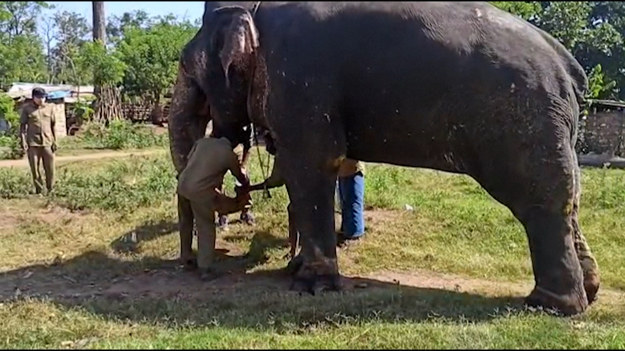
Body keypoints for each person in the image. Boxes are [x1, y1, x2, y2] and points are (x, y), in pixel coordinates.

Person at [177, 130, 252, 280]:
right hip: (200, 192)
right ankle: (205, 269)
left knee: (185, 222)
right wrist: (245, 186)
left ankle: (186, 257)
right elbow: (239, 177)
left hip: (182, 185)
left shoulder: (202, 142)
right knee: (205, 226)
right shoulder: (228, 154)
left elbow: (189, 160)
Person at [20, 87, 57, 195]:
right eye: (39, 97)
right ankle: (39, 190)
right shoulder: (27, 109)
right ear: (33, 97)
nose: (41, 100)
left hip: (47, 142)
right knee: (35, 169)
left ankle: (50, 189)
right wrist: (23, 142)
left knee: (50, 168)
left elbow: (53, 125)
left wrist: (55, 141)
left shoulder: (49, 108)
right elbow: (22, 127)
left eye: (43, 97)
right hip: (33, 143)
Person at [336, 159, 366, 243]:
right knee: (345, 202)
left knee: (353, 203)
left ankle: (354, 235)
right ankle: (347, 230)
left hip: (353, 169)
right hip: (343, 168)